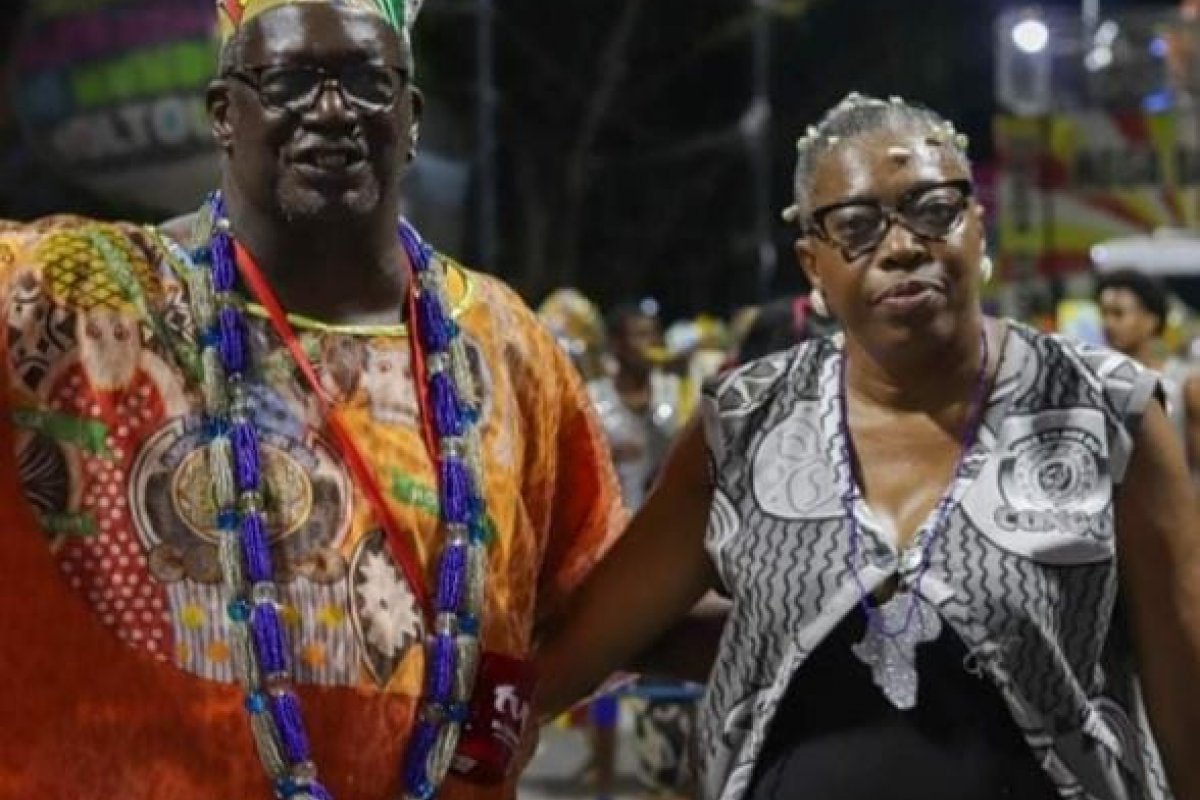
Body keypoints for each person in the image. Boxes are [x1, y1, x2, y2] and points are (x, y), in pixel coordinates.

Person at [0, 2, 625, 799]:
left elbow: (584, 603)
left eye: (367, 81)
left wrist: (489, 744)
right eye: (291, 80)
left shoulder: (500, 344)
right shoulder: (68, 294)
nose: (331, 111)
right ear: (224, 114)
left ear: (412, 118)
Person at [535, 92, 1200, 800]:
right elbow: (591, 642)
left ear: (979, 228)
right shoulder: (746, 422)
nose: (903, 245)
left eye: (934, 209)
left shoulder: (1106, 409)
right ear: (813, 266)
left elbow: (1185, 691)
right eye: (856, 225)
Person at [1096, 268, 1200, 477]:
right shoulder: (1096, 382)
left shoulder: (1184, 383)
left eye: (1119, 313)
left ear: (1151, 320)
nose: (1109, 323)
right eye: (1104, 313)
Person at [588, 302, 684, 511]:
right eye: (640, 336)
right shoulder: (592, 399)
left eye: (654, 335)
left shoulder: (675, 392)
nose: (651, 344)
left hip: (661, 521)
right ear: (616, 345)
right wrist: (609, 454)